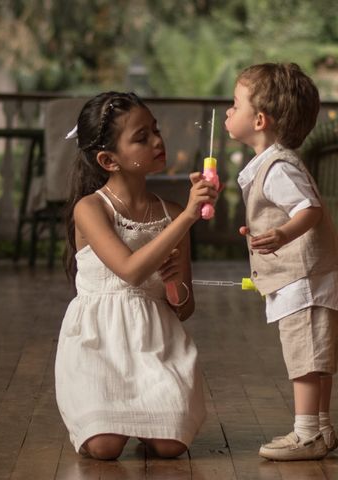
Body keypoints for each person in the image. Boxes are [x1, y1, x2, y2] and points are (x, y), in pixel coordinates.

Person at [54, 91, 216, 460]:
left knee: (172, 445)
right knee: (103, 447)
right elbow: (130, 271)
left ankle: (148, 412)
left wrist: (176, 285)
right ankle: (117, 413)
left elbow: (184, 307)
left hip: (155, 342)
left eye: (155, 130)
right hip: (99, 345)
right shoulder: (91, 208)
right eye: (142, 137)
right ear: (109, 160)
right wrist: (190, 217)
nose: (158, 141)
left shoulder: (172, 212)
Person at [225, 62, 338, 461]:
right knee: (316, 355)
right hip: (305, 277)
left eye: (234, 105)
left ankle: (306, 433)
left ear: (259, 119)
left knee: (305, 355)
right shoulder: (273, 164)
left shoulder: (278, 166)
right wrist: (265, 234)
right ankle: (322, 428)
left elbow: (308, 210)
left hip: (303, 279)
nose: (227, 112)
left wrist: (283, 235)